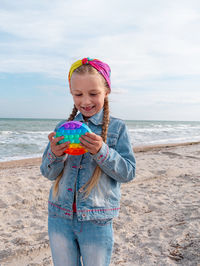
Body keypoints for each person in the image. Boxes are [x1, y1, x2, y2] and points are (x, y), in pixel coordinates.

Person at [40, 57, 136, 266]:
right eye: (78, 94)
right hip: (59, 216)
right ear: (71, 93)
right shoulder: (63, 127)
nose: (85, 101)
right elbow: (48, 173)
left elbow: (128, 172)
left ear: (106, 91)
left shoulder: (117, 128)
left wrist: (102, 151)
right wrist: (55, 155)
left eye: (93, 94)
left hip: (97, 219)